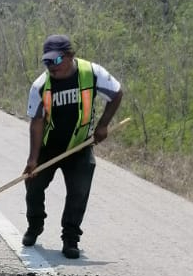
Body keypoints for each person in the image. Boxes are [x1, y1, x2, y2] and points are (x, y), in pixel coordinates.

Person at [21, 34, 123, 259]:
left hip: (80, 146)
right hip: (49, 146)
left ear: (70, 56)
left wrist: (103, 125)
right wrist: (32, 160)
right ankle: (35, 225)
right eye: (47, 62)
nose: (51, 67)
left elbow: (117, 93)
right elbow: (37, 122)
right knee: (33, 188)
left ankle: (70, 238)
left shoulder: (93, 73)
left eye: (56, 61)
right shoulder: (40, 86)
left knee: (78, 193)